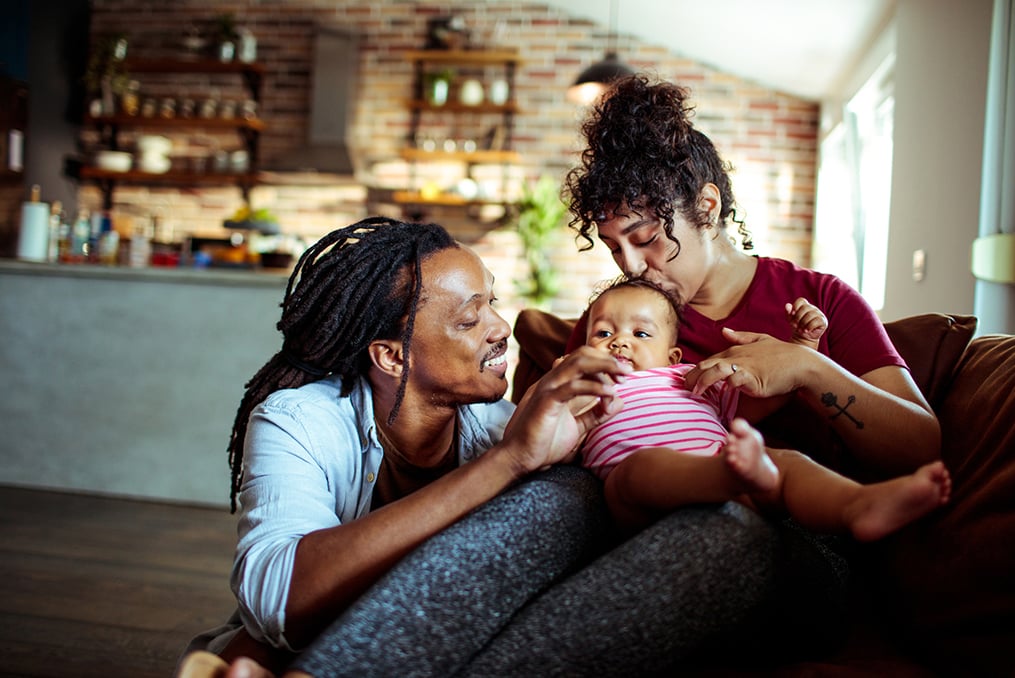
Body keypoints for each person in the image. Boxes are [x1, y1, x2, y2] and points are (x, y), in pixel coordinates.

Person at [178, 216, 633, 677]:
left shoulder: (502, 428)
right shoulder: (299, 420)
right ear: (393, 356)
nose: (500, 328)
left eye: (492, 303)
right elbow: (276, 602)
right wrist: (506, 463)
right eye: (469, 319)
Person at [576, 277, 950, 538]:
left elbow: (760, 402)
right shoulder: (584, 383)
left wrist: (800, 351)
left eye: (640, 334)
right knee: (640, 468)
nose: (619, 343)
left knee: (786, 462)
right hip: (644, 495)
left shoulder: (689, 377)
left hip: (736, 473)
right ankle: (731, 474)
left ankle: (858, 504)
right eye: (604, 333)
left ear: (672, 355)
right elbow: (547, 436)